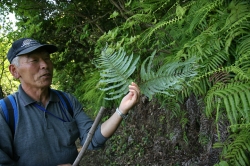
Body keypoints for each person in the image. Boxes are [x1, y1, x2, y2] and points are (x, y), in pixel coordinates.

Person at [0, 38, 140, 166]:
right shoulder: (5, 111)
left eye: (47, 58)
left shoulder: (67, 101)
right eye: (34, 60)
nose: (44, 65)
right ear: (14, 71)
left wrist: (121, 110)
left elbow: (91, 140)